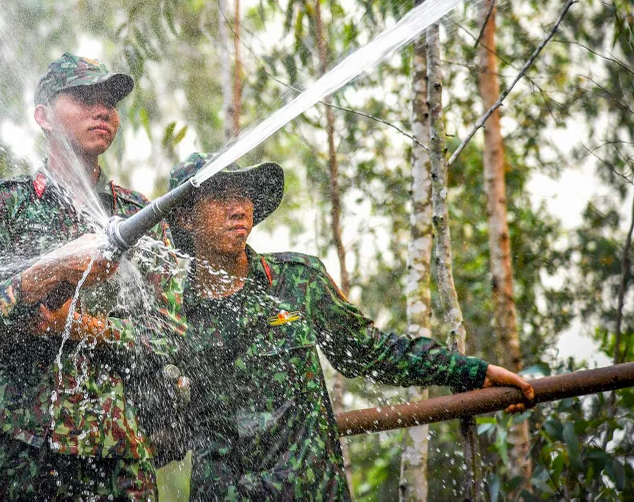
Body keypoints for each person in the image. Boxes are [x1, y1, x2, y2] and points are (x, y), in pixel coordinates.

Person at [166, 152, 535, 501]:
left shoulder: (297, 282)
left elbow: (369, 351)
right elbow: (159, 419)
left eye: (244, 195)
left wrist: (471, 371)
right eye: (220, 197)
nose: (239, 208)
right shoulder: (171, 311)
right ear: (185, 216)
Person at [0, 53, 184, 500]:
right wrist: (41, 277)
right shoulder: (6, 207)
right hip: (23, 451)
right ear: (43, 116)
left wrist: (80, 326)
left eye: (110, 101)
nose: (103, 110)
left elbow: (170, 336)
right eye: (84, 98)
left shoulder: (139, 215)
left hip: (120, 451)